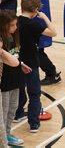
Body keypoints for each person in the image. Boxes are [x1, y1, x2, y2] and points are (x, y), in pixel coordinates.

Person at [16, 0, 56, 133]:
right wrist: (44, 17)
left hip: (16, 62)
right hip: (31, 63)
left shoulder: (15, 21)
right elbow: (53, 32)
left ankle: (18, 113)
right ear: (36, 9)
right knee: (34, 94)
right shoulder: (33, 24)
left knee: (19, 89)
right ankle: (34, 123)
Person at [16, 0, 61, 86]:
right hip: (42, 16)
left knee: (37, 51)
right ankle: (52, 73)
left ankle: (52, 74)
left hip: (35, 19)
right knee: (38, 50)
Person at [0, 10, 32, 146]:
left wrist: (22, 65)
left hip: (16, 79)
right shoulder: (2, 41)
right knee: (4, 112)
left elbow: (16, 57)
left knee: (12, 109)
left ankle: (7, 134)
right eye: (12, 25)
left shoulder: (14, 37)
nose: (16, 27)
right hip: (5, 83)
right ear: (4, 26)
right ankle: (3, 138)